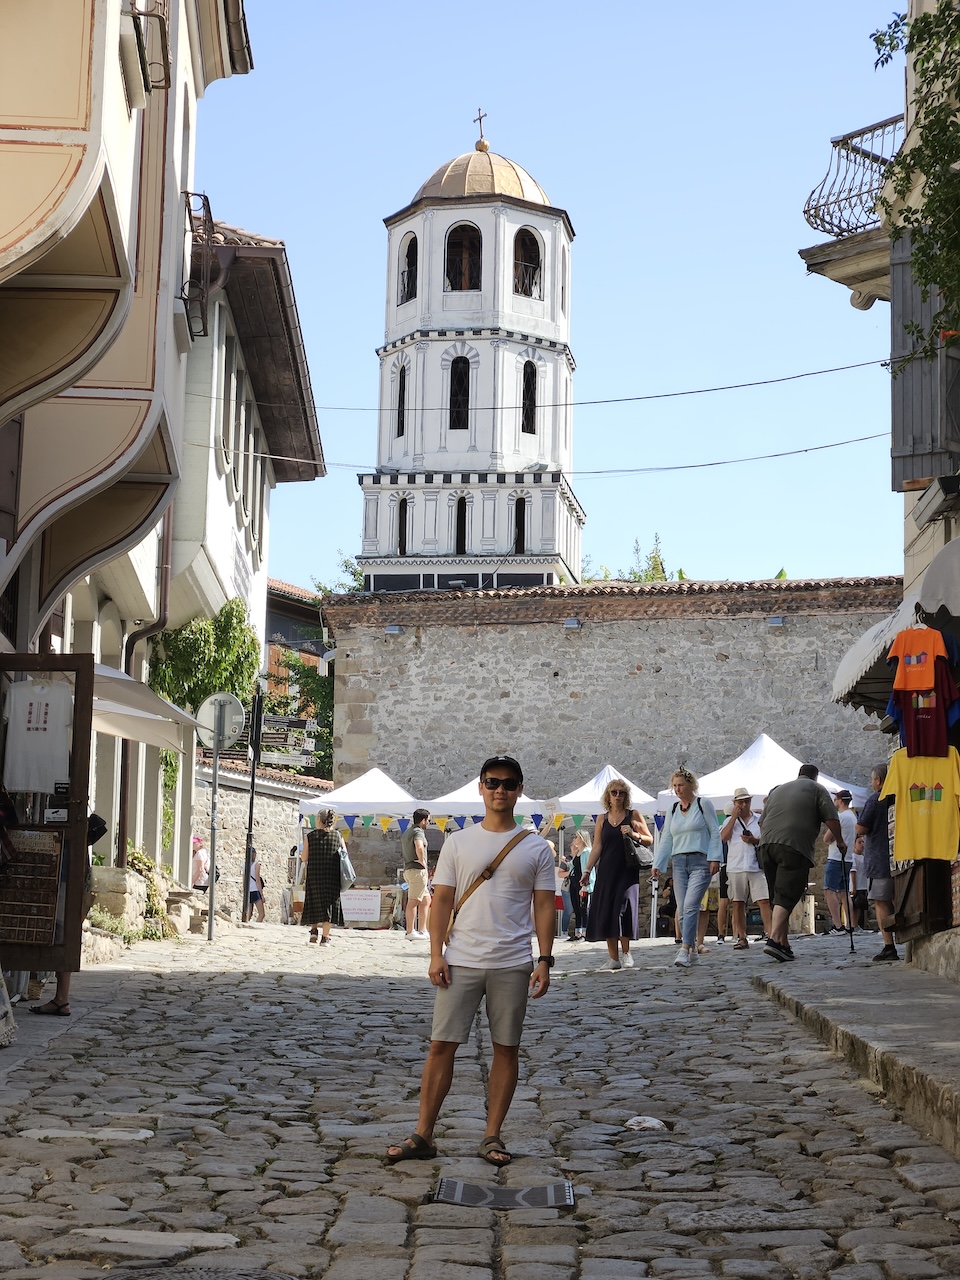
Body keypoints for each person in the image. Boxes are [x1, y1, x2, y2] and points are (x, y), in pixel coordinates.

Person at [385, 754, 555, 1168]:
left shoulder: (536, 848)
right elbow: (441, 900)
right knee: (441, 1046)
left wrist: (545, 959)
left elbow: (545, 907)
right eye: (493, 782)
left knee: (506, 1049)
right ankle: (423, 1133)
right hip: (460, 959)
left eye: (509, 784)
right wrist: (435, 952)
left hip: (512, 961)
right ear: (480, 787)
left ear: (519, 791)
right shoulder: (459, 842)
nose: (500, 790)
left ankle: (492, 1135)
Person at [757, 764, 845, 962]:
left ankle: (783, 944)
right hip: (794, 846)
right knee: (788, 894)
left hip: (766, 846)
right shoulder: (817, 789)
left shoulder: (779, 790)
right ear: (815, 777)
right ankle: (772, 939)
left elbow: (761, 822)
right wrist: (840, 841)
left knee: (777, 896)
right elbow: (832, 818)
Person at [654, 768, 721, 968]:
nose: (677, 789)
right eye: (674, 786)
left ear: (691, 785)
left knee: (691, 905)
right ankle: (692, 951)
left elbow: (714, 832)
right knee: (682, 909)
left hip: (700, 861)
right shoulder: (673, 809)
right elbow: (667, 838)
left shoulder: (703, 804)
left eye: (681, 785)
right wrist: (658, 863)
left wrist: (715, 858)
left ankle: (684, 949)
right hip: (679, 863)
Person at [584, 780, 653, 970]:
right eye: (614, 792)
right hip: (606, 870)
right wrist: (587, 870)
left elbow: (649, 839)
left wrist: (633, 833)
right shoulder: (602, 818)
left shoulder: (633, 815)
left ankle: (627, 953)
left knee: (623, 908)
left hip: (626, 869)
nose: (617, 796)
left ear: (626, 796)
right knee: (607, 910)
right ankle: (613, 958)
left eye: (621, 793)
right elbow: (597, 846)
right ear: (608, 795)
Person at [719, 787, 772, 950]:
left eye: (746, 801)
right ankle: (742, 937)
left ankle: (772, 935)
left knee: (763, 900)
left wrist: (753, 840)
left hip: (755, 866)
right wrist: (734, 817)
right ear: (735, 803)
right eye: (740, 801)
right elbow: (723, 837)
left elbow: (766, 840)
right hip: (736, 866)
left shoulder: (759, 819)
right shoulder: (728, 821)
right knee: (738, 903)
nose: (743, 804)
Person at [857, 763, 899, 962]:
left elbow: (861, 828)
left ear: (878, 780)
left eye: (873, 779)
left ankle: (889, 945)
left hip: (880, 860)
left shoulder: (876, 799)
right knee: (899, 900)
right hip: (900, 856)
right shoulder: (899, 797)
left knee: (881, 903)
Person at [301, 809, 343, 945]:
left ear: (319, 820)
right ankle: (325, 937)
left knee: (314, 902)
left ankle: (314, 932)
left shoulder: (310, 836)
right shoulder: (338, 836)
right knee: (329, 905)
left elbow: (304, 857)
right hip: (332, 876)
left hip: (315, 874)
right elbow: (345, 856)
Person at [824, 789, 858, 935]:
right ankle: (850, 925)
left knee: (829, 890)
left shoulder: (840, 817)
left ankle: (837, 925)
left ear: (839, 800)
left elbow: (826, 838)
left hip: (836, 857)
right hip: (848, 857)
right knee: (844, 892)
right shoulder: (853, 816)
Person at [402, 808, 431, 940]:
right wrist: (422, 860)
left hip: (409, 870)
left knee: (426, 899)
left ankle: (423, 929)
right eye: (428, 821)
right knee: (414, 901)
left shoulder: (408, 831)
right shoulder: (418, 832)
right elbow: (419, 846)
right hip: (417, 870)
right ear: (423, 820)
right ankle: (410, 931)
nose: (428, 823)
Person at [565, 830, 590, 940]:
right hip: (574, 884)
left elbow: (588, 869)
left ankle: (585, 933)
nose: (574, 839)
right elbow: (573, 868)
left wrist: (585, 886)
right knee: (576, 909)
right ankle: (578, 933)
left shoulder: (587, 852)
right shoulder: (578, 852)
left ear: (582, 838)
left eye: (576, 837)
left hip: (583, 884)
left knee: (583, 908)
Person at [244, 847, 265, 922]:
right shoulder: (257, 865)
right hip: (255, 890)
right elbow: (257, 880)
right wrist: (262, 895)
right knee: (262, 914)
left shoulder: (245, 865)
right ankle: (256, 926)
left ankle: (245, 927)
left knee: (249, 913)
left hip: (248, 891)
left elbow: (244, 880)